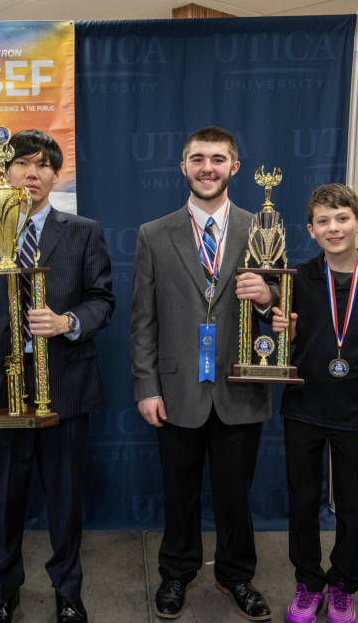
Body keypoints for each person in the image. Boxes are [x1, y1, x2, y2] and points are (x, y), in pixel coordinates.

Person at [0, 129, 115, 623]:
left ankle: (68, 593)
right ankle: (3, 593)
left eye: (44, 165)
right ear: (5, 172)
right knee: (4, 499)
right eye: (23, 164)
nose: (33, 173)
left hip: (65, 384)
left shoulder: (84, 229)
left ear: (56, 174)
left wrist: (67, 322)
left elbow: (103, 300)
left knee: (65, 498)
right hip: (3, 390)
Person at [130, 126, 278, 621]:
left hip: (240, 386)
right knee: (179, 490)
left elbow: (278, 310)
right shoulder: (154, 233)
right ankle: (176, 572)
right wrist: (146, 386)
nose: (207, 167)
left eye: (218, 159)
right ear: (184, 167)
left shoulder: (263, 228)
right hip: (176, 389)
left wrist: (270, 299)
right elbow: (142, 320)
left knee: (237, 494)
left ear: (234, 167)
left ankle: (237, 575)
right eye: (198, 159)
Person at [270, 184, 358, 623]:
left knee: (350, 504)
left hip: (357, 415)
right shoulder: (297, 277)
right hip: (304, 408)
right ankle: (308, 583)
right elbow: (288, 343)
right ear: (310, 230)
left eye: (342, 218)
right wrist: (283, 331)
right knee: (303, 500)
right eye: (324, 221)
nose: (334, 228)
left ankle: (344, 585)